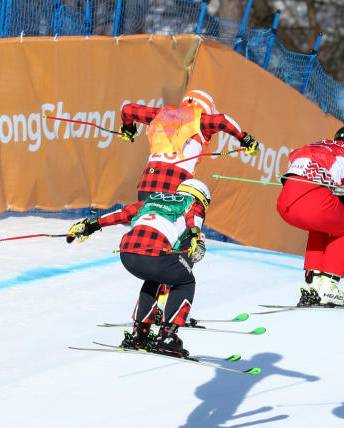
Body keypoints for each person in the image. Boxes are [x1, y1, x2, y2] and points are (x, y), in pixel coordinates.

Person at [66, 179, 212, 358]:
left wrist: (91, 225)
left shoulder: (153, 199)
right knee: (185, 281)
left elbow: (123, 213)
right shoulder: (192, 203)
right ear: (202, 198)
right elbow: (194, 217)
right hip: (154, 254)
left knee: (155, 277)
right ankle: (168, 337)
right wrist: (197, 236)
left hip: (127, 253)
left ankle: (139, 334)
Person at [276, 124, 344, 307]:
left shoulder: (322, 145)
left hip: (286, 203)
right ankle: (328, 287)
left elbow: (316, 193)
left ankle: (314, 284)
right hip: (313, 199)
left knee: (321, 226)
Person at [119, 89, 259, 200]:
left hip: (147, 182)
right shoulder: (200, 120)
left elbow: (127, 110)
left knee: (145, 227)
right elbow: (223, 121)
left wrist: (129, 129)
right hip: (176, 182)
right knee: (177, 231)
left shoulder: (161, 114)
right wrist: (245, 139)